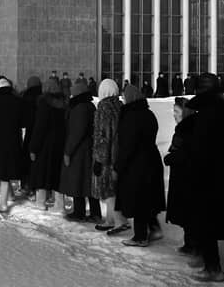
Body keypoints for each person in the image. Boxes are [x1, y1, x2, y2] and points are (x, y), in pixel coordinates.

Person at [115, 85, 166, 247]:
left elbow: (127, 145)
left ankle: (140, 236)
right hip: (151, 160)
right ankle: (154, 228)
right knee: (147, 198)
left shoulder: (131, 117)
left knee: (138, 200)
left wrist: (118, 167)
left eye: (124, 96)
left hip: (136, 165)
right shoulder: (148, 114)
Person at [185, 73, 224, 282]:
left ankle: (213, 267)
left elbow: (201, 149)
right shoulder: (216, 110)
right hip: (214, 174)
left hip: (207, 176)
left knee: (206, 220)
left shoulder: (208, 115)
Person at [58, 81, 101, 222]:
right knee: (86, 182)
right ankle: (92, 212)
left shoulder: (79, 108)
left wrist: (68, 152)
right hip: (86, 149)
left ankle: (80, 212)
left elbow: (77, 132)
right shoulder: (88, 106)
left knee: (78, 181)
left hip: (80, 151)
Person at [92, 79, 129, 235]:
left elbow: (102, 137)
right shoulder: (120, 107)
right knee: (114, 188)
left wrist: (99, 159)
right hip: (118, 154)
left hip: (107, 157)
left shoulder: (103, 109)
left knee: (107, 189)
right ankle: (110, 219)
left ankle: (118, 220)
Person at [164, 97, 198, 257]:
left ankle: (194, 246)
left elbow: (185, 153)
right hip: (184, 174)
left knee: (188, 210)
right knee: (187, 211)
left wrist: (171, 158)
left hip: (187, 175)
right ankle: (189, 243)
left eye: (176, 111)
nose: (174, 115)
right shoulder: (187, 127)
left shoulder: (186, 129)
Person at [0, 77, 25, 212]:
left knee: (2, 171)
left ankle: (3, 203)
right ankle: (10, 195)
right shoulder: (17, 102)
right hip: (13, 138)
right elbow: (22, 121)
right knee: (7, 168)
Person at [29, 78, 66, 209]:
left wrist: (33, 148)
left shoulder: (44, 104)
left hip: (45, 145)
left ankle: (41, 202)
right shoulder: (63, 104)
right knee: (57, 174)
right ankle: (60, 204)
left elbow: (40, 127)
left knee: (41, 173)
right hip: (59, 144)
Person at [20, 76, 42, 195]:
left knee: (26, 159)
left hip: (29, 130)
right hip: (39, 130)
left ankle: (26, 184)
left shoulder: (25, 97)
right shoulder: (42, 97)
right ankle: (35, 186)